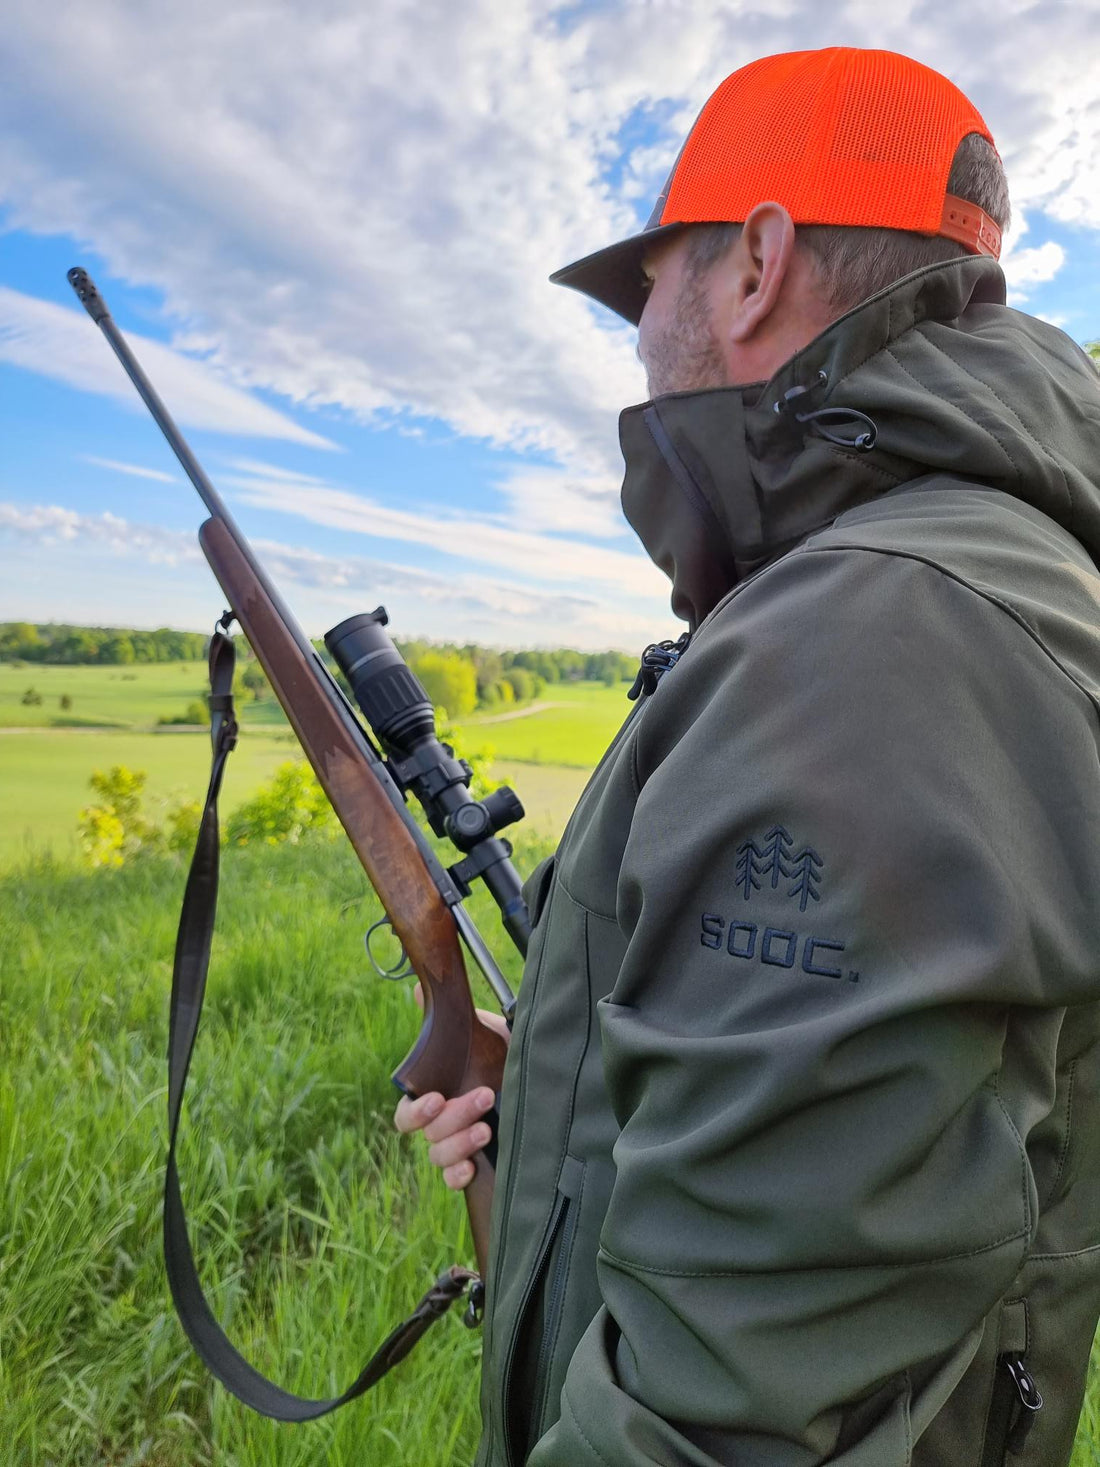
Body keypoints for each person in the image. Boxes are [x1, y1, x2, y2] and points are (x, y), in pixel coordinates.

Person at [396, 47, 1100, 1466]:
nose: (643, 332)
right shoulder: (952, 579)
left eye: (650, 284)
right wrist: (568, 1077)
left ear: (756, 263)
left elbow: (730, 1415)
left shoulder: (875, 644)